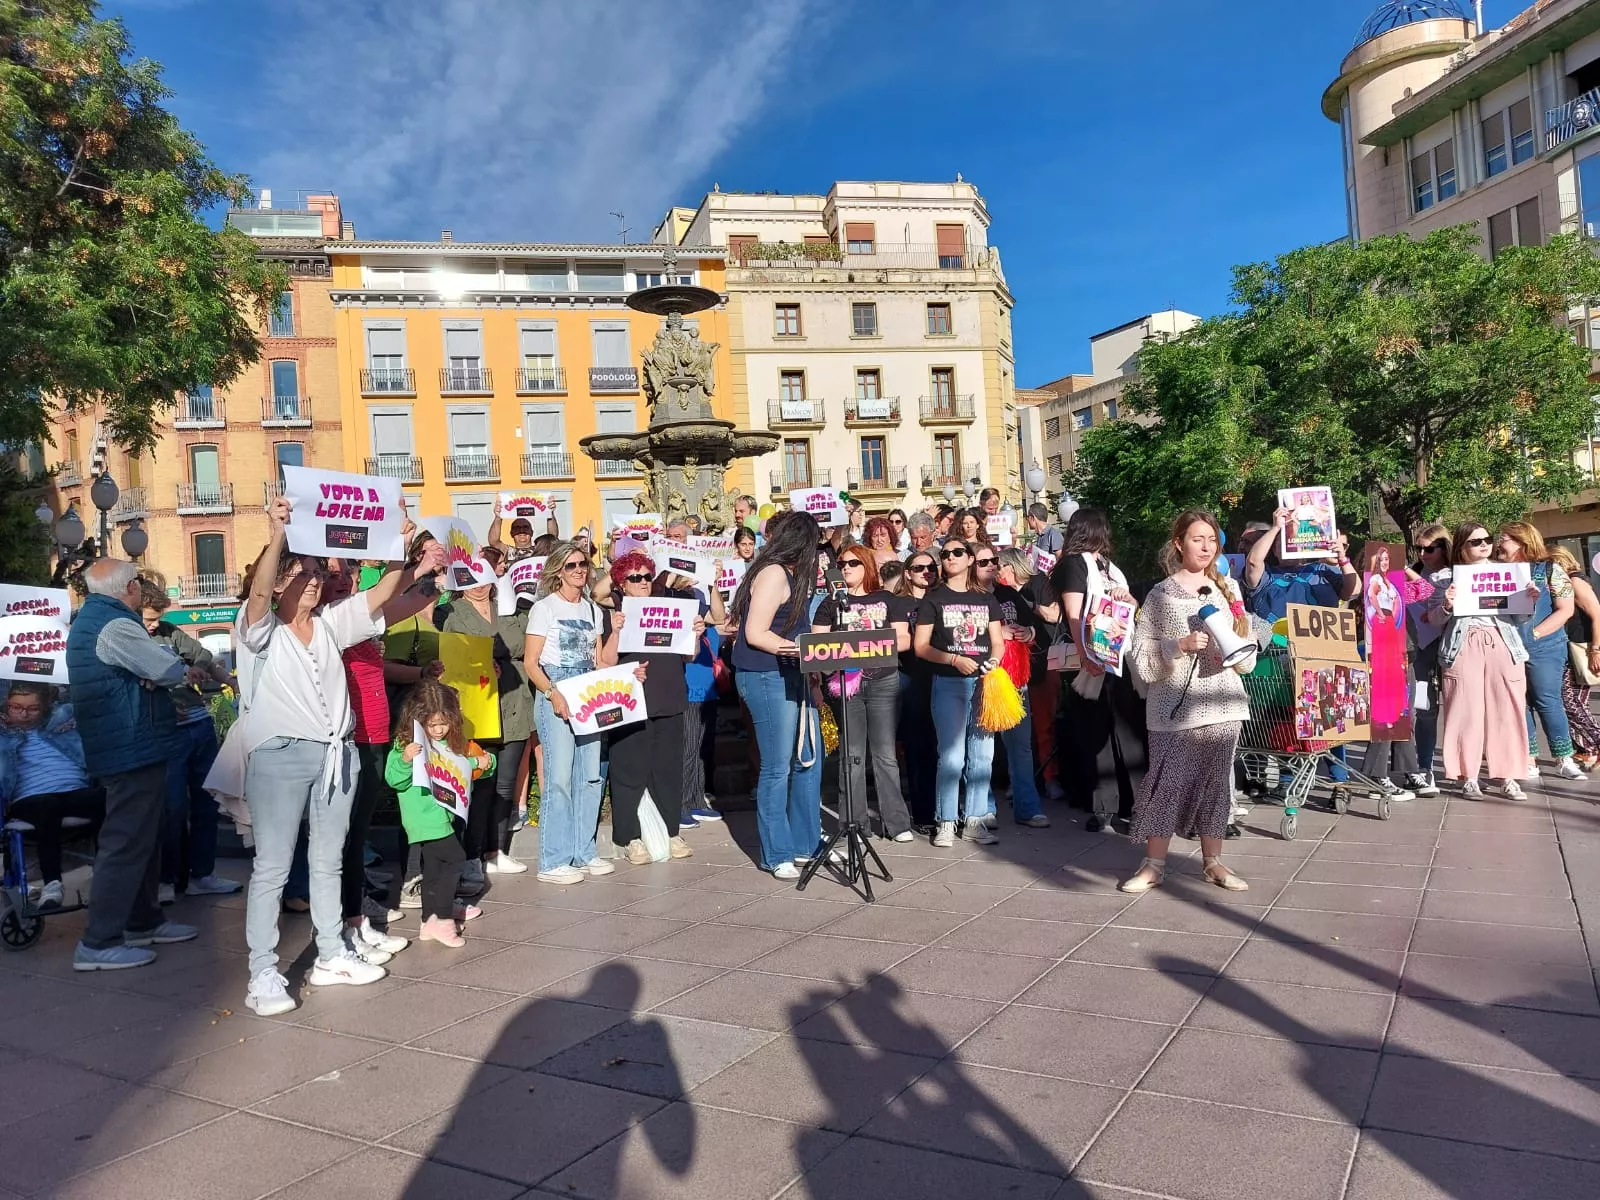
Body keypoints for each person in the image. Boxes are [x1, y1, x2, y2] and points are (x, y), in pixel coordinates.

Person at [217, 498, 445, 1016]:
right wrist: (278, 535)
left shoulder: (330, 625)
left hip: (335, 755)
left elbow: (384, 594)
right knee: (272, 868)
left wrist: (398, 547)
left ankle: (330, 953)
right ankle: (262, 973)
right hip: (280, 756)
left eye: (318, 571)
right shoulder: (258, 630)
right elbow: (257, 591)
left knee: (327, 858)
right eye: (303, 573)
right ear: (278, 584)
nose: (315, 581)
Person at [65, 558, 193, 971]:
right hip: (129, 745)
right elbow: (169, 668)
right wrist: (160, 671)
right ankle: (98, 942)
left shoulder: (97, 619)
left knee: (142, 837)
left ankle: (143, 921)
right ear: (132, 587)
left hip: (128, 743)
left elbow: (153, 672)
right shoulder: (115, 624)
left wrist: (152, 674)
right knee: (125, 842)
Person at [1119, 510, 1254, 894]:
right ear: (1179, 543)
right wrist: (1176, 646)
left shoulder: (1228, 588)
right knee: (1166, 784)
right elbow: (1141, 657)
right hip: (1175, 710)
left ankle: (1212, 862)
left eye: (1212, 540)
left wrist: (1239, 649)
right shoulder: (1160, 594)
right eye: (1198, 539)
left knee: (1215, 787)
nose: (1206, 547)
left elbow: (1246, 649)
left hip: (1224, 704)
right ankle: (1153, 864)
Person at [732, 510, 824, 878]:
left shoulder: (794, 576)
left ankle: (806, 843)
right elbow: (755, 632)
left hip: (793, 674)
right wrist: (800, 651)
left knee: (806, 760)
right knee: (776, 767)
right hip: (766, 676)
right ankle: (776, 852)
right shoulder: (772, 573)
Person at [601, 552, 706, 865]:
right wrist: (617, 631)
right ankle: (629, 837)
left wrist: (696, 635)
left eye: (647, 576)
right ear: (621, 583)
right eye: (635, 578)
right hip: (631, 703)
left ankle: (670, 831)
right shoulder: (613, 613)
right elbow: (605, 661)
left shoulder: (673, 607)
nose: (643, 582)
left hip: (670, 696)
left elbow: (689, 656)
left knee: (667, 771)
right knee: (629, 771)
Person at [138, 582, 240, 904]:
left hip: (198, 725)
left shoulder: (169, 632)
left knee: (206, 802)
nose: (154, 624)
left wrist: (211, 672)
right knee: (173, 808)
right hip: (168, 732)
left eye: (157, 618)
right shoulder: (129, 638)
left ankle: (202, 874)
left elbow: (203, 655)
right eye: (149, 618)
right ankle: (168, 878)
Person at [523, 542, 618, 884]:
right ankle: (553, 859)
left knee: (591, 776)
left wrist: (620, 643)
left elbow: (601, 662)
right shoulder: (545, 609)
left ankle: (584, 851)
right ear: (558, 572)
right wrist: (551, 693)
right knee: (559, 779)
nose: (579, 570)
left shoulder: (594, 611)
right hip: (557, 690)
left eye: (583, 564)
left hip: (588, 691)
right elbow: (530, 662)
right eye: (571, 565)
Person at [812, 545, 913, 843]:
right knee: (852, 754)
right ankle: (853, 824)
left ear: (867, 565)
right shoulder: (830, 603)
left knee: (885, 754)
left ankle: (896, 823)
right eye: (841, 563)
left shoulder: (887, 599)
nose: (845, 567)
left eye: (853, 563)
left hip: (883, 681)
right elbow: (817, 646)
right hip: (846, 683)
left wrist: (866, 646)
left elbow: (905, 638)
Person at [440, 571, 534, 879]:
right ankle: (471, 855)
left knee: (506, 784)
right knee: (481, 783)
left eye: (485, 578)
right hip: (477, 703)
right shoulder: (453, 611)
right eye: (472, 579)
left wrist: (492, 652)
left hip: (514, 700)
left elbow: (520, 644)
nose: (480, 586)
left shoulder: (507, 608)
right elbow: (453, 649)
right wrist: (483, 659)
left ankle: (497, 851)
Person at [1050, 508, 1138, 832]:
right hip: (1093, 660)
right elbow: (1074, 613)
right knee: (1098, 733)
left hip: (1120, 656)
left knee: (1126, 733)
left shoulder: (1107, 567)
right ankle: (1105, 808)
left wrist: (1126, 597)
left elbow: (1128, 608)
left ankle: (1132, 804)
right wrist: (1087, 654)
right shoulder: (1074, 564)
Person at [914, 536, 1005, 848]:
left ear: (969, 559)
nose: (950, 557)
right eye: (945, 554)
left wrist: (994, 661)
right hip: (948, 682)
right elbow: (921, 647)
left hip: (984, 682)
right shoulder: (932, 599)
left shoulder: (987, 600)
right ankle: (946, 820)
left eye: (957, 552)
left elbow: (998, 640)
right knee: (951, 755)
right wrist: (953, 658)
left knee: (983, 754)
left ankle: (976, 819)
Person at [387, 681, 491, 947]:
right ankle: (443, 919)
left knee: (434, 866)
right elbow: (393, 779)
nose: (438, 730)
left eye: (443, 723)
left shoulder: (447, 742)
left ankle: (429, 919)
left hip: (446, 812)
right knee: (454, 858)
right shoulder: (406, 744)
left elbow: (460, 767)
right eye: (431, 725)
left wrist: (483, 764)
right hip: (423, 815)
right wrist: (405, 760)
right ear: (416, 719)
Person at [1439, 521, 1532, 799]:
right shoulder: (1445, 577)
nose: (1484, 544)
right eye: (1475, 541)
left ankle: (1508, 775)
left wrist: (1528, 600)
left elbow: (1522, 617)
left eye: (1487, 539)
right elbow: (1429, 620)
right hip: (1463, 642)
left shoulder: (1509, 572)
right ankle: (1467, 776)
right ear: (1461, 547)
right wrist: (1446, 605)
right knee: (1464, 709)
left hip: (1503, 641)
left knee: (1507, 708)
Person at [1496, 522, 1586, 781]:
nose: (1498, 544)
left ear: (1521, 542)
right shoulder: (1496, 573)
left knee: (1548, 700)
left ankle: (1564, 758)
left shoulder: (1549, 569)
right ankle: (1528, 758)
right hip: (1508, 647)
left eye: (1503, 539)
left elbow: (1566, 609)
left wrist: (1535, 633)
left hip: (1544, 647)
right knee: (1518, 703)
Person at [0, 682, 103, 909]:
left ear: (46, 707)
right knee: (47, 805)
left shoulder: (62, 718)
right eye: (16, 707)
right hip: (30, 798)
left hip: (75, 790)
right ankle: (52, 883)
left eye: (32, 708)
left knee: (112, 798)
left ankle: (109, 873)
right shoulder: (3, 733)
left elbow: (90, 702)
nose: (24, 714)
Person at [981, 547, 1051, 828]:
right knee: (982, 750)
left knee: (1021, 748)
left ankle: (1028, 808)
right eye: (983, 561)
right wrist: (998, 635)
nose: (991, 566)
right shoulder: (967, 597)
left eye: (994, 561)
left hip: (1013, 680)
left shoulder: (1009, 594)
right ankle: (983, 809)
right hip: (982, 679)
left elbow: (1034, 626)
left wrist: (1028, 632)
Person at [1358, 545, 1433, 803]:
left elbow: (1426, 590)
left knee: (1406, 714)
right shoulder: (1365, 586)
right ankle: (1376, 776)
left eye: (1389, 559)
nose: (1385, 563)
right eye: (1380, 559)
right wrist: (1379, 612)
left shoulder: (1397, 585)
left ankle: (1408, 770)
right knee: (1385, 714)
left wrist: (1407, 572)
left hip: (1403, 652)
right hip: (1379, 653)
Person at [892, 548, 940, 827]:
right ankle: (923, 813)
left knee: (944, 747)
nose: (927, 572)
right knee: (918, 747)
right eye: (920, 568)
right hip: (911, 676)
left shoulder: (942, 599)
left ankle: (946, 810)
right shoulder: (899, 603)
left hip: (943, 675)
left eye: (931, 568)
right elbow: (901, 641)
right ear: (908, 574)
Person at [1406, 524, 1453, 794]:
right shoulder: (1412, 572)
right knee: (1423, 708)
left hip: (1454, 647)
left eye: (1429, 548)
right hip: (1421, 650)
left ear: (1444, 547)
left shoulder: (1460, 573)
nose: (1423, 553)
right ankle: (1424, 766)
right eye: (1419, 548)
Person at [1550, 545, 1600, 769]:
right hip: (1571, 648)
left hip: (1582, 646)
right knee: (1570, 701)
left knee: (1572, 702)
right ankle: (1587, 749)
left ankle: (1595, 742)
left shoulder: (1576, 582)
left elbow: (1597, 615)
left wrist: (1596, 650)